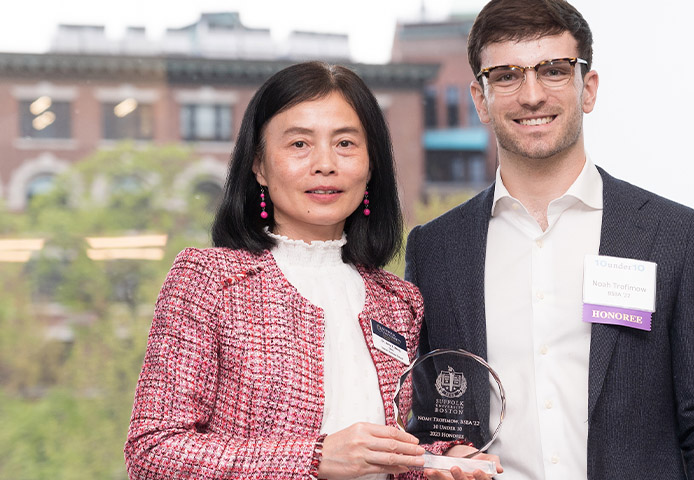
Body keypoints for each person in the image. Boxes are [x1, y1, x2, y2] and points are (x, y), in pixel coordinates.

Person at [405, 1, 694, 479]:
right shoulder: (435, 250)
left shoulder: (673, 235)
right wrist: (439, 452)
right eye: (506, 76)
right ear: (480, 99)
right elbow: (425, 419)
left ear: (587, 89)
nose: (531, 95)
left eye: (552, 70)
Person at [125, 61, 452, 480]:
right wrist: (313, 459)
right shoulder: (210, 281)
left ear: (371, 166)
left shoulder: (399, 301)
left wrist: (440, 461)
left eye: (346, 144)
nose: (325, 164)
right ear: (259, 165)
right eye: (299, 144)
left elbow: (384, 450)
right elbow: (153, 452)